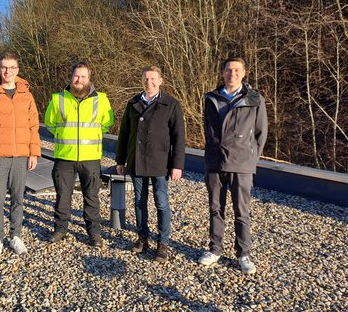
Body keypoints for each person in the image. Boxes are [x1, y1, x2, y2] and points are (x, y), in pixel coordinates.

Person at [199, 57, 268, 274]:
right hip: (215, 162)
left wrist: (250, 158)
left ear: (244, 73)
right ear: (222, 73)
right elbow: (207, 130)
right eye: (228, 70)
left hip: (242, 164)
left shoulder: (254, 99)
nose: (232, 74)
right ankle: (215, 249)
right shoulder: (210, 98)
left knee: (242, 211)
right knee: (215, 208)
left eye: (237, 70)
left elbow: (260, 134)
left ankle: (243, 253)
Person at [116, 65, 185, 262]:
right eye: (146, 78)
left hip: (160, 163)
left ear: (161, 80)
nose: (149, 82)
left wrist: (177, 165)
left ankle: (162, 242)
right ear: (141, 80)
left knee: (161, 202)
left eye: (153, 78)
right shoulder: (133, 103)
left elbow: (179, 137)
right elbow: (124, 134)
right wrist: (121, 159)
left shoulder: (171, 104)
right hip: (137, 160)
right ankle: (142, 237)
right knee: (139, 201)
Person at [0, 53, 41, 259]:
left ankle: (16, 236)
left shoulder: (26, 95)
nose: (7, 71)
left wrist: (34, 152)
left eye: (11, 67)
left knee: (18, 198)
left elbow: (33, 126)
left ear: (17, 70)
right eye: (4, 67)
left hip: (21, 156)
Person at [44, 61, 114, 247]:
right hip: (64, 157)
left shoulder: (102, 100)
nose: (79, 80)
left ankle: (94, 233)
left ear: (89, 79)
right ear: (70, 77)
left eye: (83, 76)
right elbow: (50, 123)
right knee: (62, 196)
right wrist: (64, 134)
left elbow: (108, 123)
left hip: (90, 158)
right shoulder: (58, 98)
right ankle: (60, 230)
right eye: (76, 76)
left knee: (91, 196)